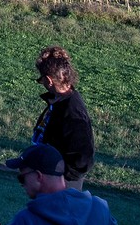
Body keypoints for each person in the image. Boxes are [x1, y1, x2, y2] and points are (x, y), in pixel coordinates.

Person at [30, 46, 96, 189]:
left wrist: (61, 178)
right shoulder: (59, 102)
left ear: (49, 80)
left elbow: (83, 159)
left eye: (41, 79)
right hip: (51, 181)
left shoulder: (72, 111)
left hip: (63, 188)